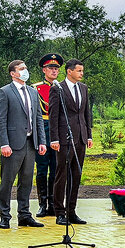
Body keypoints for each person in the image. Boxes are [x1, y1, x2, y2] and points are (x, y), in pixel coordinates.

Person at [0, 59, 47, 229]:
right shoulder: (4, 92)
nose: (25, 71)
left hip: (30, 143)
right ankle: (5, 215)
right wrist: (4, 144)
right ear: (13, 73)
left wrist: (42, 141)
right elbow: (1, 120)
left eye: (26, 68)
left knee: (26, 181)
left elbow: (38, 117)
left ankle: (24, 215)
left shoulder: (33, 92)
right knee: (7, 181)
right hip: (12, 145)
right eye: (21, 69)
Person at [48, 58, 93, 225]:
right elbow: (53, 115)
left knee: (76, 174)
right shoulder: (57, 88)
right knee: (62, 174)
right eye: (79, 71)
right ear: (69, 71)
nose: (82, 73)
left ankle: (71, 211)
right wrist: (54, 138)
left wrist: (88, 135)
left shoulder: (83, 88)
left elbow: (86, 113)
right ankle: (59, 212)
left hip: (80, 138)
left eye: (82, 71)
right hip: (64, 139)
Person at [32, 53, 63, 218]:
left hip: (57, 129)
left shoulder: (62, 87)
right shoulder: (36, 88)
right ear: (44, 70)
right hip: (42, 128)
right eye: (51, 68)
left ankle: (53, 203)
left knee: (56, 168)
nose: (54, 71)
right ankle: (42, 204)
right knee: (42, 168)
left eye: (56, 68)